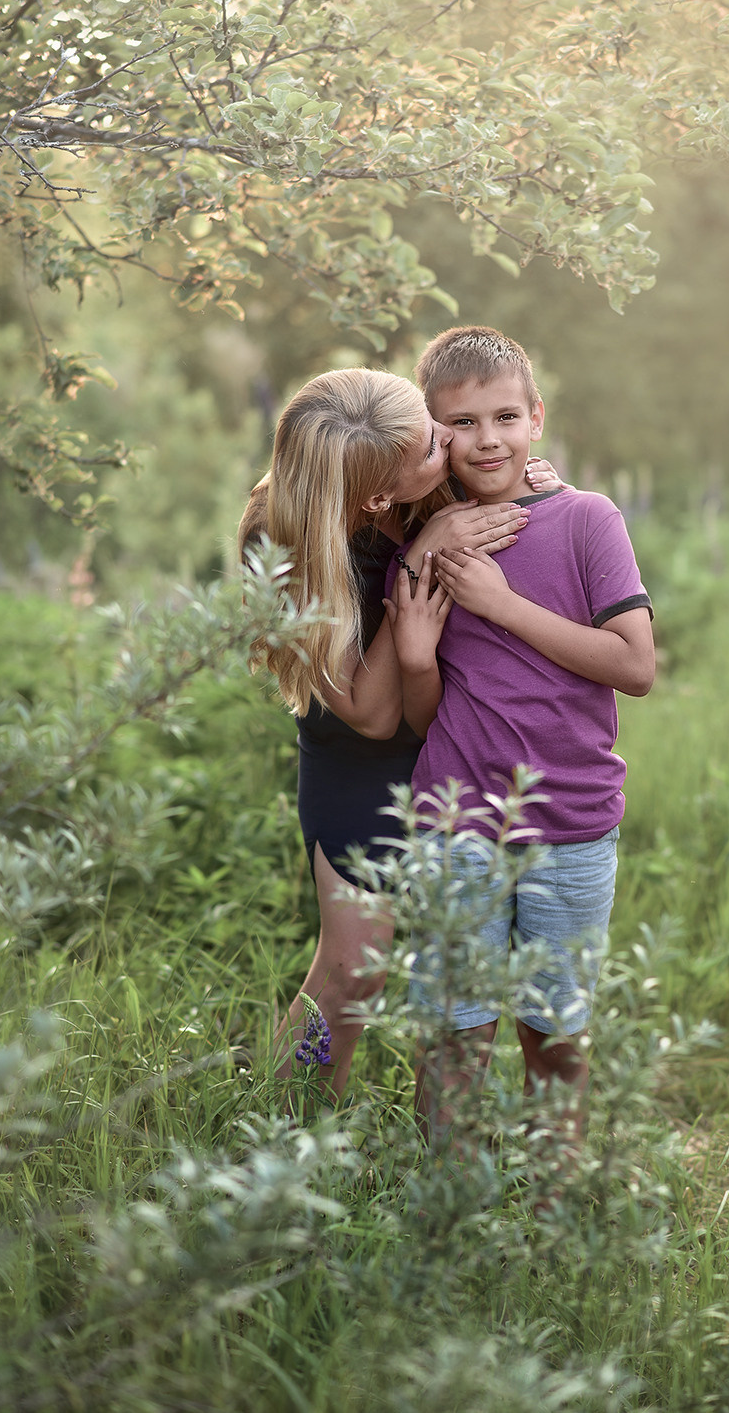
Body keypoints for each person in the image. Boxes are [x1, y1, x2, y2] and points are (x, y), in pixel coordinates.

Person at [238, 366, 559, 1107]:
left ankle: (447, 1129)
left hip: (449, 727)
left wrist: (520, 480)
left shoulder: (425, 472)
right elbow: (369, 713)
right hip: (357, 752)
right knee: (357, 963)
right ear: (378, 494)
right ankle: (289, 1127)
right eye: (428, 447)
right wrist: (421, 553)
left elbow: (506, 477)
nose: (444, 442)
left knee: (464, 959)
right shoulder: (279, 536)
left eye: (428, 423)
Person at [387, 327, 655, 1148]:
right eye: (461, 424)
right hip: (455, 816)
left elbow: (635, 666)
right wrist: (415, 654)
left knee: (556, 1029)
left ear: (536, 417)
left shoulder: (586, 519)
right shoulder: (425, 542)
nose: (488, 439)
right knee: (454, 1028)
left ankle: (554, 1206)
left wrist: (500, 602)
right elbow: (429, 717)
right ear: (434, 435)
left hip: (570, 821)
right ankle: (450, 1203)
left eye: (505, 416)